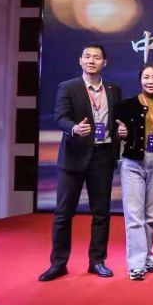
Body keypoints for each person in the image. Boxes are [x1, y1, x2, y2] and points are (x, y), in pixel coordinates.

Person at [40, 43, 125, 281]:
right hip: (74, 156)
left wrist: (122, 131)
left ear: (104, 63)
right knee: (63, 213)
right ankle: (58, 263)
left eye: (96, 57)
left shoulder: (113, 89)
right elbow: (60, 117)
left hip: (103, 155)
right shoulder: (68, 87)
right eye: (87, 56)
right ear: (80, 60)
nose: (91, 61)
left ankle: (97, 261)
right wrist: (74, 129)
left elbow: (116, 121)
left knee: (101, 214)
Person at [116, 62, 153, 281]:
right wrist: (120, 132)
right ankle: (136, 264)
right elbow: (114, 130)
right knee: (134, 215)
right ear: (140, 80)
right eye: (146, 77)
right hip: (133, 163)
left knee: (151, 216)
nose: (150, 81)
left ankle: (148, 255)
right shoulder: (127, 105)